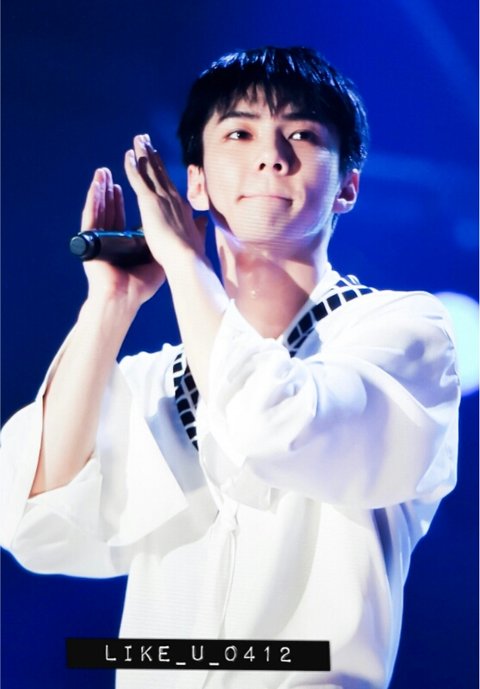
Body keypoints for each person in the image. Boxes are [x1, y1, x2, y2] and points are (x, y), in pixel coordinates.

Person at [1, 46, 460, 689]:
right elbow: (33, 520)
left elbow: (277, 424)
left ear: (347, 187)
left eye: (302, 135)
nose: (271, 156)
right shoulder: (154, 382)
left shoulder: (401, 334)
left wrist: (184, 263)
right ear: (194, 183)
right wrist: (109, 304)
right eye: (239, 134)